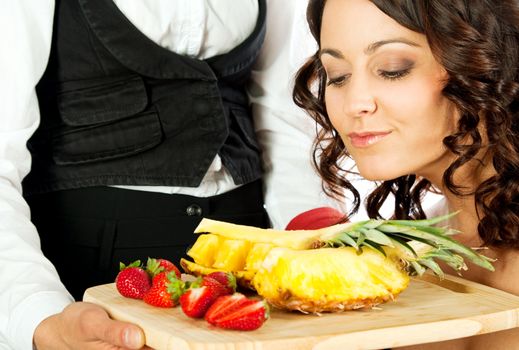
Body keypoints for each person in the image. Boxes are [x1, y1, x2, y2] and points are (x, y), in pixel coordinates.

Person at [0, 0, 345, 349]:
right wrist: (39, 314)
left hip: (247, 249)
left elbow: (283, 113)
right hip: (93, 260)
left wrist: (315, 241)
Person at [293, 0, 519, 348]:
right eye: (337, 76)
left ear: (487, 63)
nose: (355, 103)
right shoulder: (417, 253)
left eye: (392, 69)